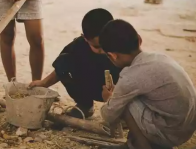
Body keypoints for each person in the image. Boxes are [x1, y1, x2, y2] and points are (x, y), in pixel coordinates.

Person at [98, 19, 196, 149]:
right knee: (129, 97)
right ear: (139, 40)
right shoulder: (159, 57)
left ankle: (140, 146)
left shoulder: (129, 76)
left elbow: (109, 115)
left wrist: (109, 99)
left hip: (170, 133)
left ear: (112, 55)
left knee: (126, 103)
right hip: (186, 127)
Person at [29, 8, 121, 119]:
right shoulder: (78, 46)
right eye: (97, 47)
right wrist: (44, 83)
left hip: (120, 91)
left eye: (106, 44)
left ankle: (124, 112)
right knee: (64, 62)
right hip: (93, 87)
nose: (103, 50)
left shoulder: (122, 44)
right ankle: (85, 105)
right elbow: (61, 67)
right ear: (85, 38)